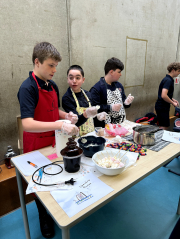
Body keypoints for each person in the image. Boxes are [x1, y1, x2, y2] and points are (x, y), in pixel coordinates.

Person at [17, 42, 79, 238]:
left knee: (55, 175)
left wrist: (65, 116)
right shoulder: (27, 88)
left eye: (56, 66)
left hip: (52, 142)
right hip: (35, 145)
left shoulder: (52, 86)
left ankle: (55, 207)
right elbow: (27, 123)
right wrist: (59, 125)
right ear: (37, 62)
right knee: (39, 182)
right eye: (51, 65)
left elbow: (53, 111)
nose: (54, 70)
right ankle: (43, 215)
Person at [62, 65, 107, 136]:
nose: (74, 81)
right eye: (71, 78)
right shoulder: (67, 98)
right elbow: (75, 122)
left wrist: (98, 115)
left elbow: (92, 114)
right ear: (67, 79)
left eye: (77, 78)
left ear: (83, 80)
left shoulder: (88, 94)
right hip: (76, 137)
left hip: (91, 133)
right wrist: (86, 114)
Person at [90, 57, 134, 127]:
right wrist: (110, 107)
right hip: (105, 127)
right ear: (111, 72)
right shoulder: (97, 88)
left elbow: (124, 104)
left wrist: (127, 103)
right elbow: (94, 108)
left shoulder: (119, 85)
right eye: (119, 72)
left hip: (121, 125)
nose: (121, 74)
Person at [155, 62, 180, 130]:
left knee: (163, 125)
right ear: (173, 70)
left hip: (162, 106)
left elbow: (166, 94)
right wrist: (172, 103)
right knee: (164, 126)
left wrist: (172, 99)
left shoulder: (168, 79)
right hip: (162, 106)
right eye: (178, 71)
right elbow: (163, 95)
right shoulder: (168, 80)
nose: (179, 73)